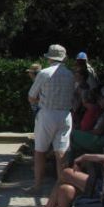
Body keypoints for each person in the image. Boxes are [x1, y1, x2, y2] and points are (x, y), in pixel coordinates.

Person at [26, 44, 75, 193]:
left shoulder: (44, 73)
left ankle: (37, 185)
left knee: (40, 151)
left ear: (49, 58)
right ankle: (62, 187)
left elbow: (31, 96)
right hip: (65, 114)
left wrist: (40, 101)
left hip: (47, 114)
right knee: (61, 152)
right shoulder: (70, 74)